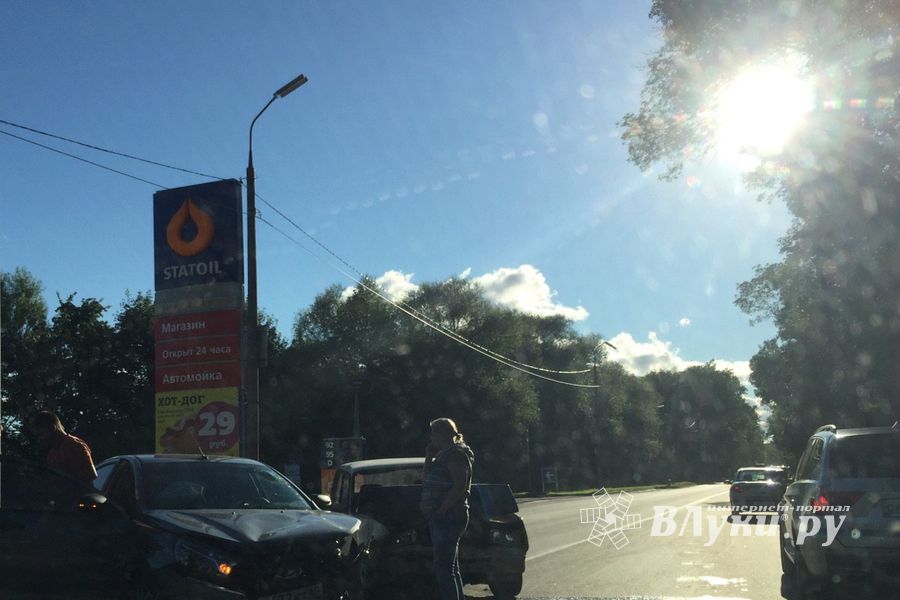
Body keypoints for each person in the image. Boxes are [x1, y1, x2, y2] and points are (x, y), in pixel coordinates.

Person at [420, 417, 475, 600]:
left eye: (434, 433)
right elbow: (426, 479)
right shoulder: (443, 455)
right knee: (451, 568)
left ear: (442, 434)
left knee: (444, 569)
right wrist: (429, 456)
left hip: (449, 516)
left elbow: (460, 485)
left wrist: (443, 509)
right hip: (442, 515)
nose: (431, 438)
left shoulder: (456, 454)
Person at [30, 410, 97, 486]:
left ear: (52, 428)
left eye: (41, 435)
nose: (39, 439)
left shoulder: (73, 445)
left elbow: (90, 475)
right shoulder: (52, 453)